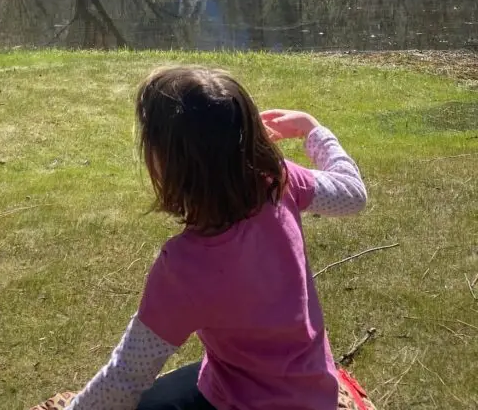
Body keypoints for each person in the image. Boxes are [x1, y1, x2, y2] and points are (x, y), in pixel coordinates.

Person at [64, 65, 370, 410]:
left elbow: (124, 378)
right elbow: (352, 194)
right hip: (314, 394)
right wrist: (312, 129)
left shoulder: (184, 270)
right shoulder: (278, 182)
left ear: (165, 162)